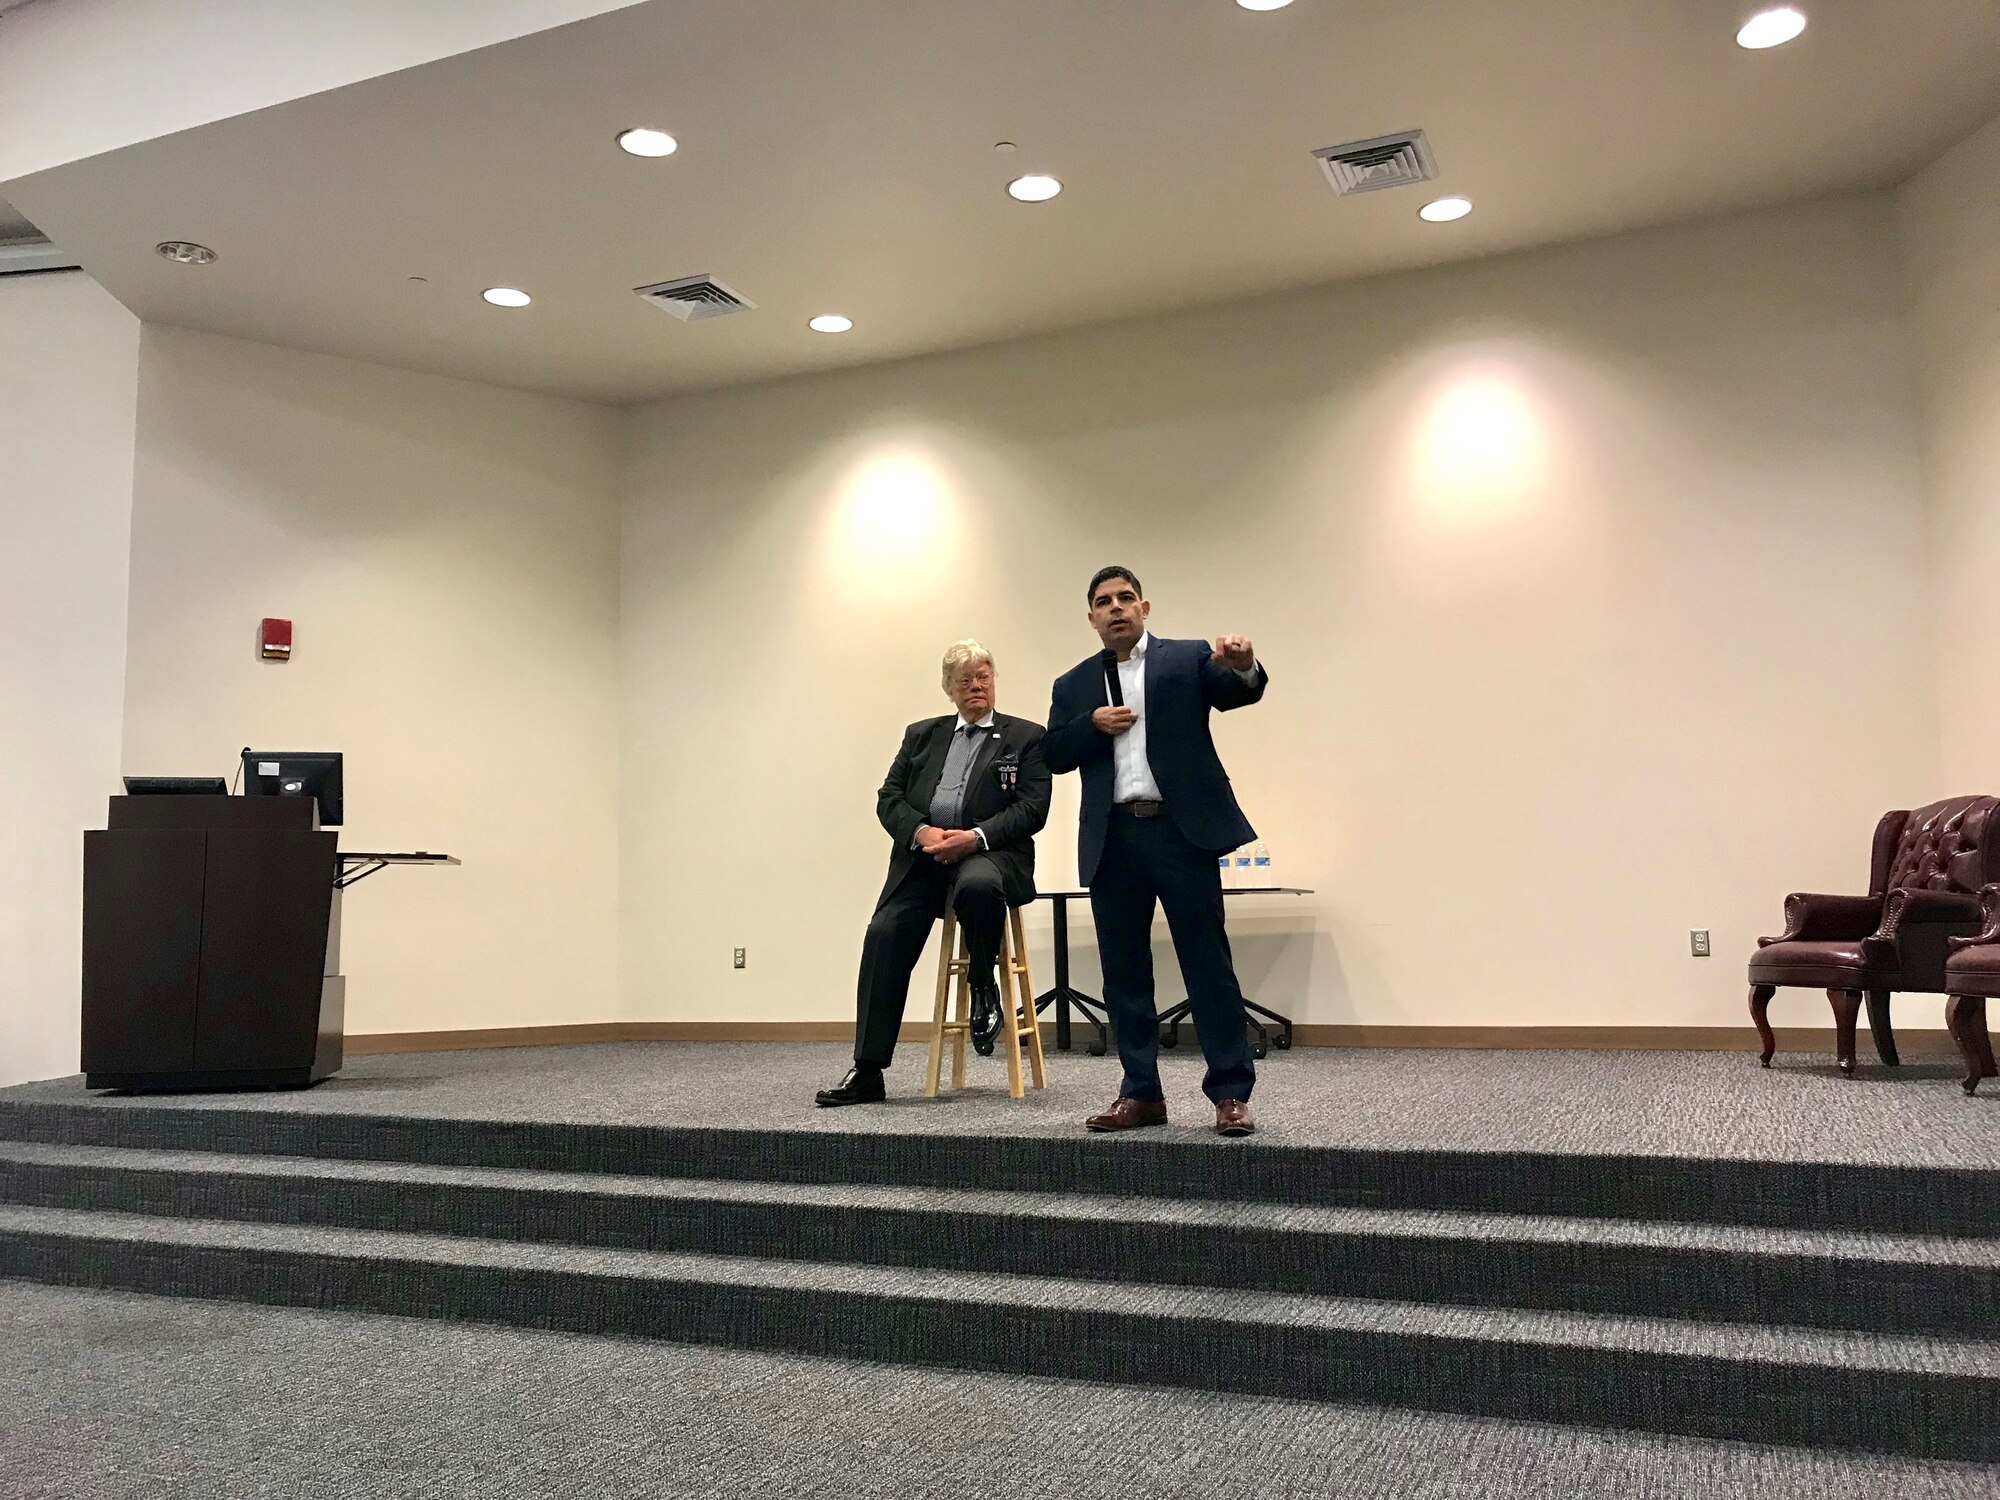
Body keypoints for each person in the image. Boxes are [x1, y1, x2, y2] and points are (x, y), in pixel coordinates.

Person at [1044, 567, 1269, 1136]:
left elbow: (1237, 691)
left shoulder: (1186, 658)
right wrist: (1090, 726)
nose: (1115, 608)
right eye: (1103, 602)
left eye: (1125, 598)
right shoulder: (1072, 685)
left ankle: (1230, 1095)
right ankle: (1141, 1093)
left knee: (1207, 963)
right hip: (1113, 838)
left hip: (1180, 831)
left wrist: (1243, 666)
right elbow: (1052, 753)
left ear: (1144, 606)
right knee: (1122, 974)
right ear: (1091, 616)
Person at [817, 640, 1052, 1107]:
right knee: (884, 933)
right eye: (965, 680)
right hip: (924, 858)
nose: (976, 686)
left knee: (980, 886)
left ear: (994, 681)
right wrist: (922, 833)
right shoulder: (921, 735)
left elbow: (1032, 808)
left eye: (983, 676)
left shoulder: (1026, 736)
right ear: (950, 689)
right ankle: (868, 1070)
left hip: (989, 852)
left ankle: (982, 985)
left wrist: (975, 837)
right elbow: (889, 797)